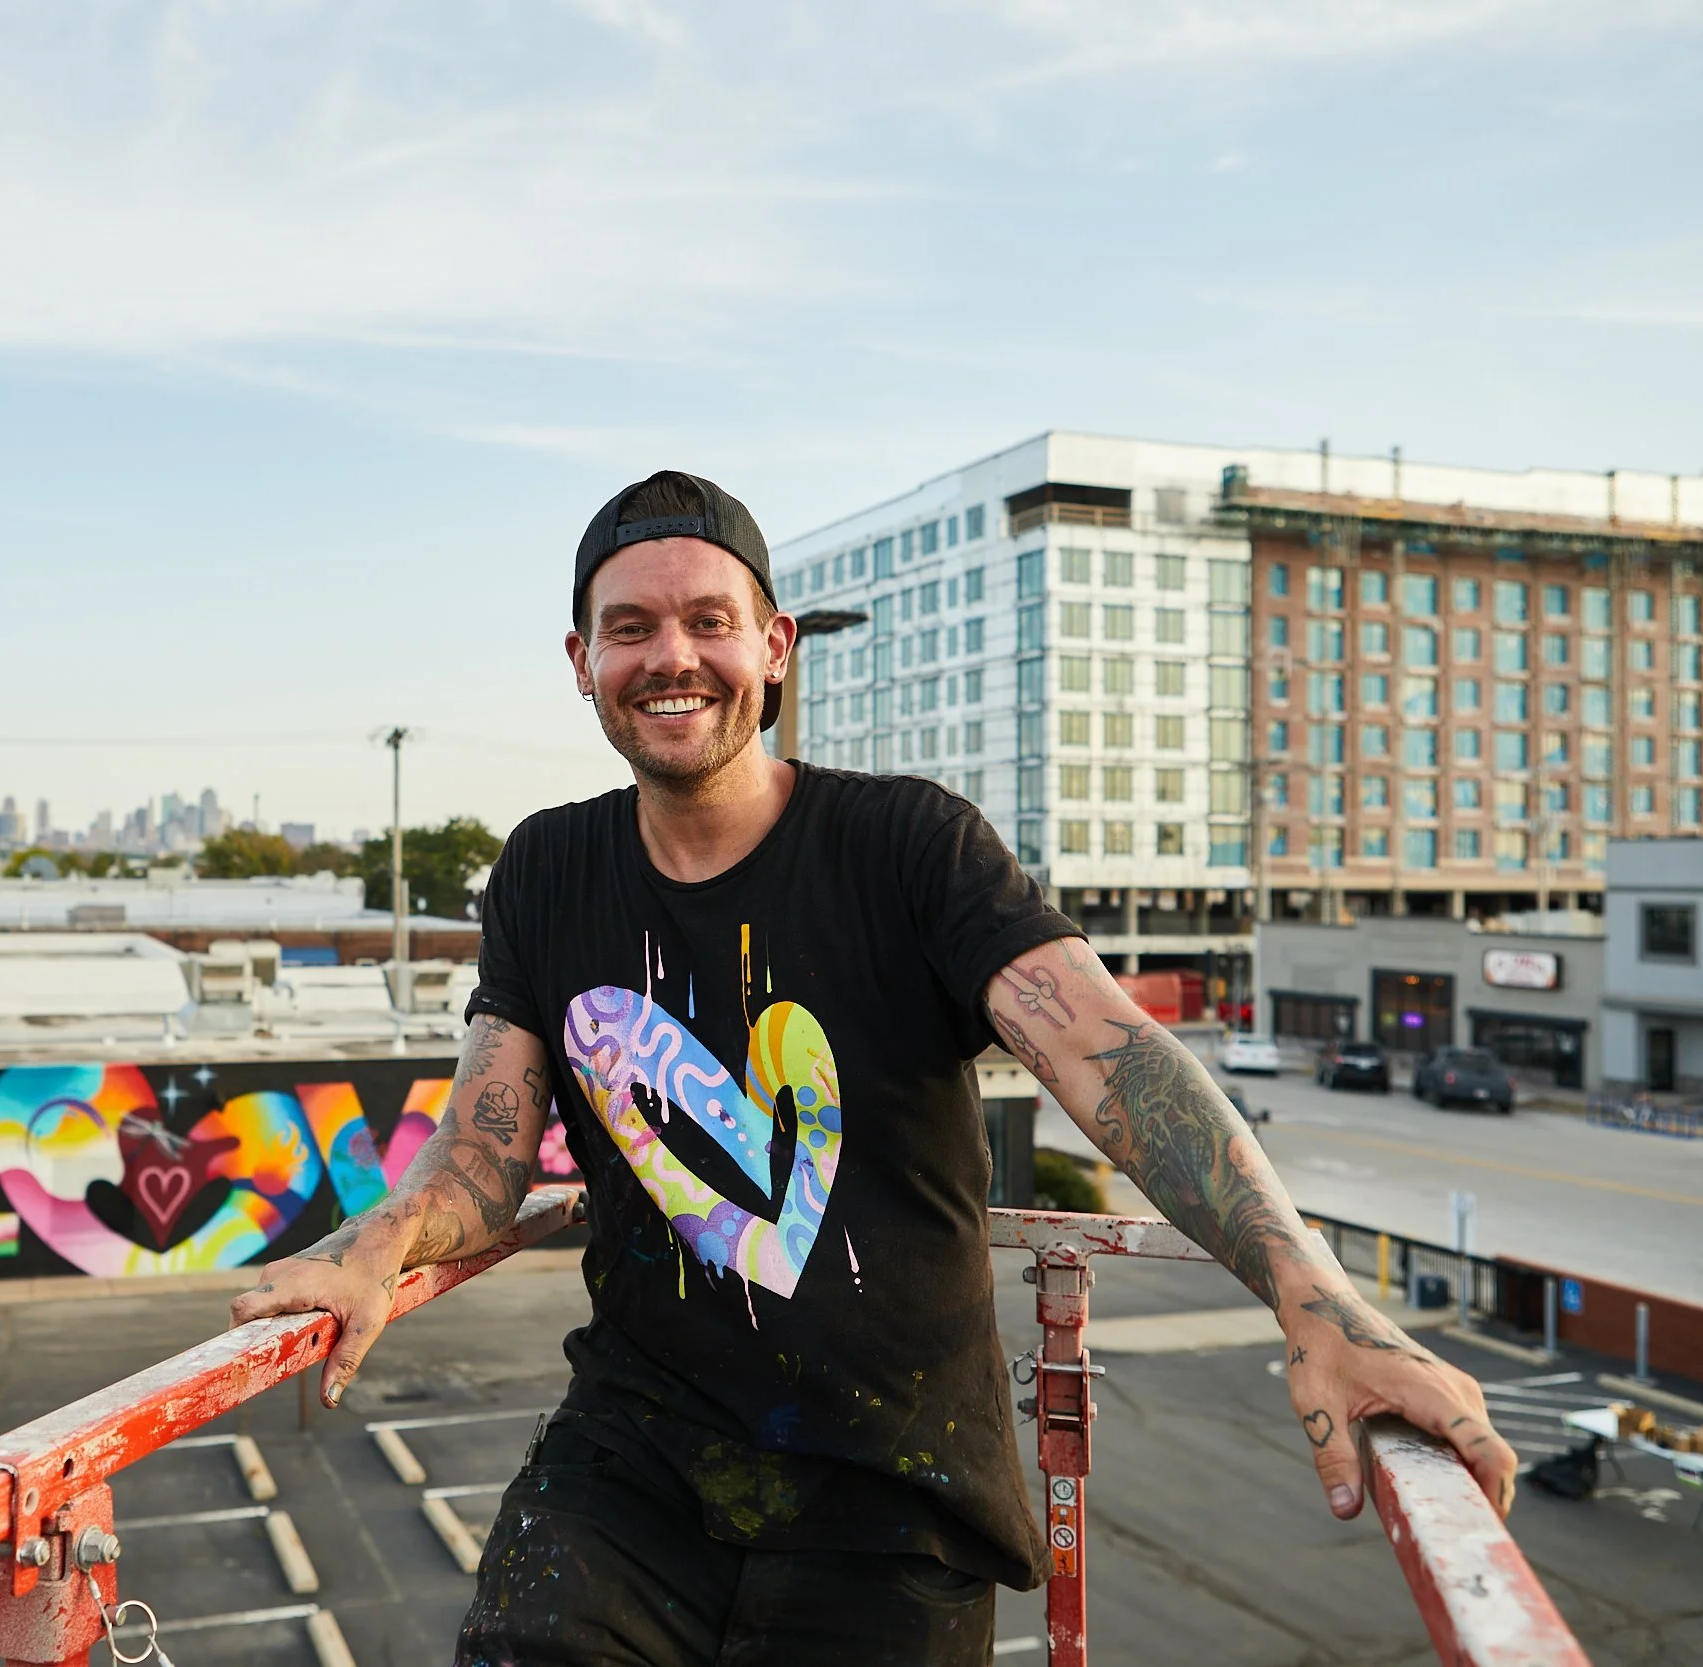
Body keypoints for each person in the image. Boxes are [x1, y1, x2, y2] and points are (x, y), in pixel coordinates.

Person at [231, 471, 1514, 1665]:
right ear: (582, 663)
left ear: (772, 646)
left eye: (707, 620)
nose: (670, 656)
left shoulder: (906, 847)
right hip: (631, 1466)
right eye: (628, 628)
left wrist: (1322, 1309)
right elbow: (485, 1152)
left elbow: (1112, 1062)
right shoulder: (547, 869)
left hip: (897, 1493)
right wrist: (378, 1239)